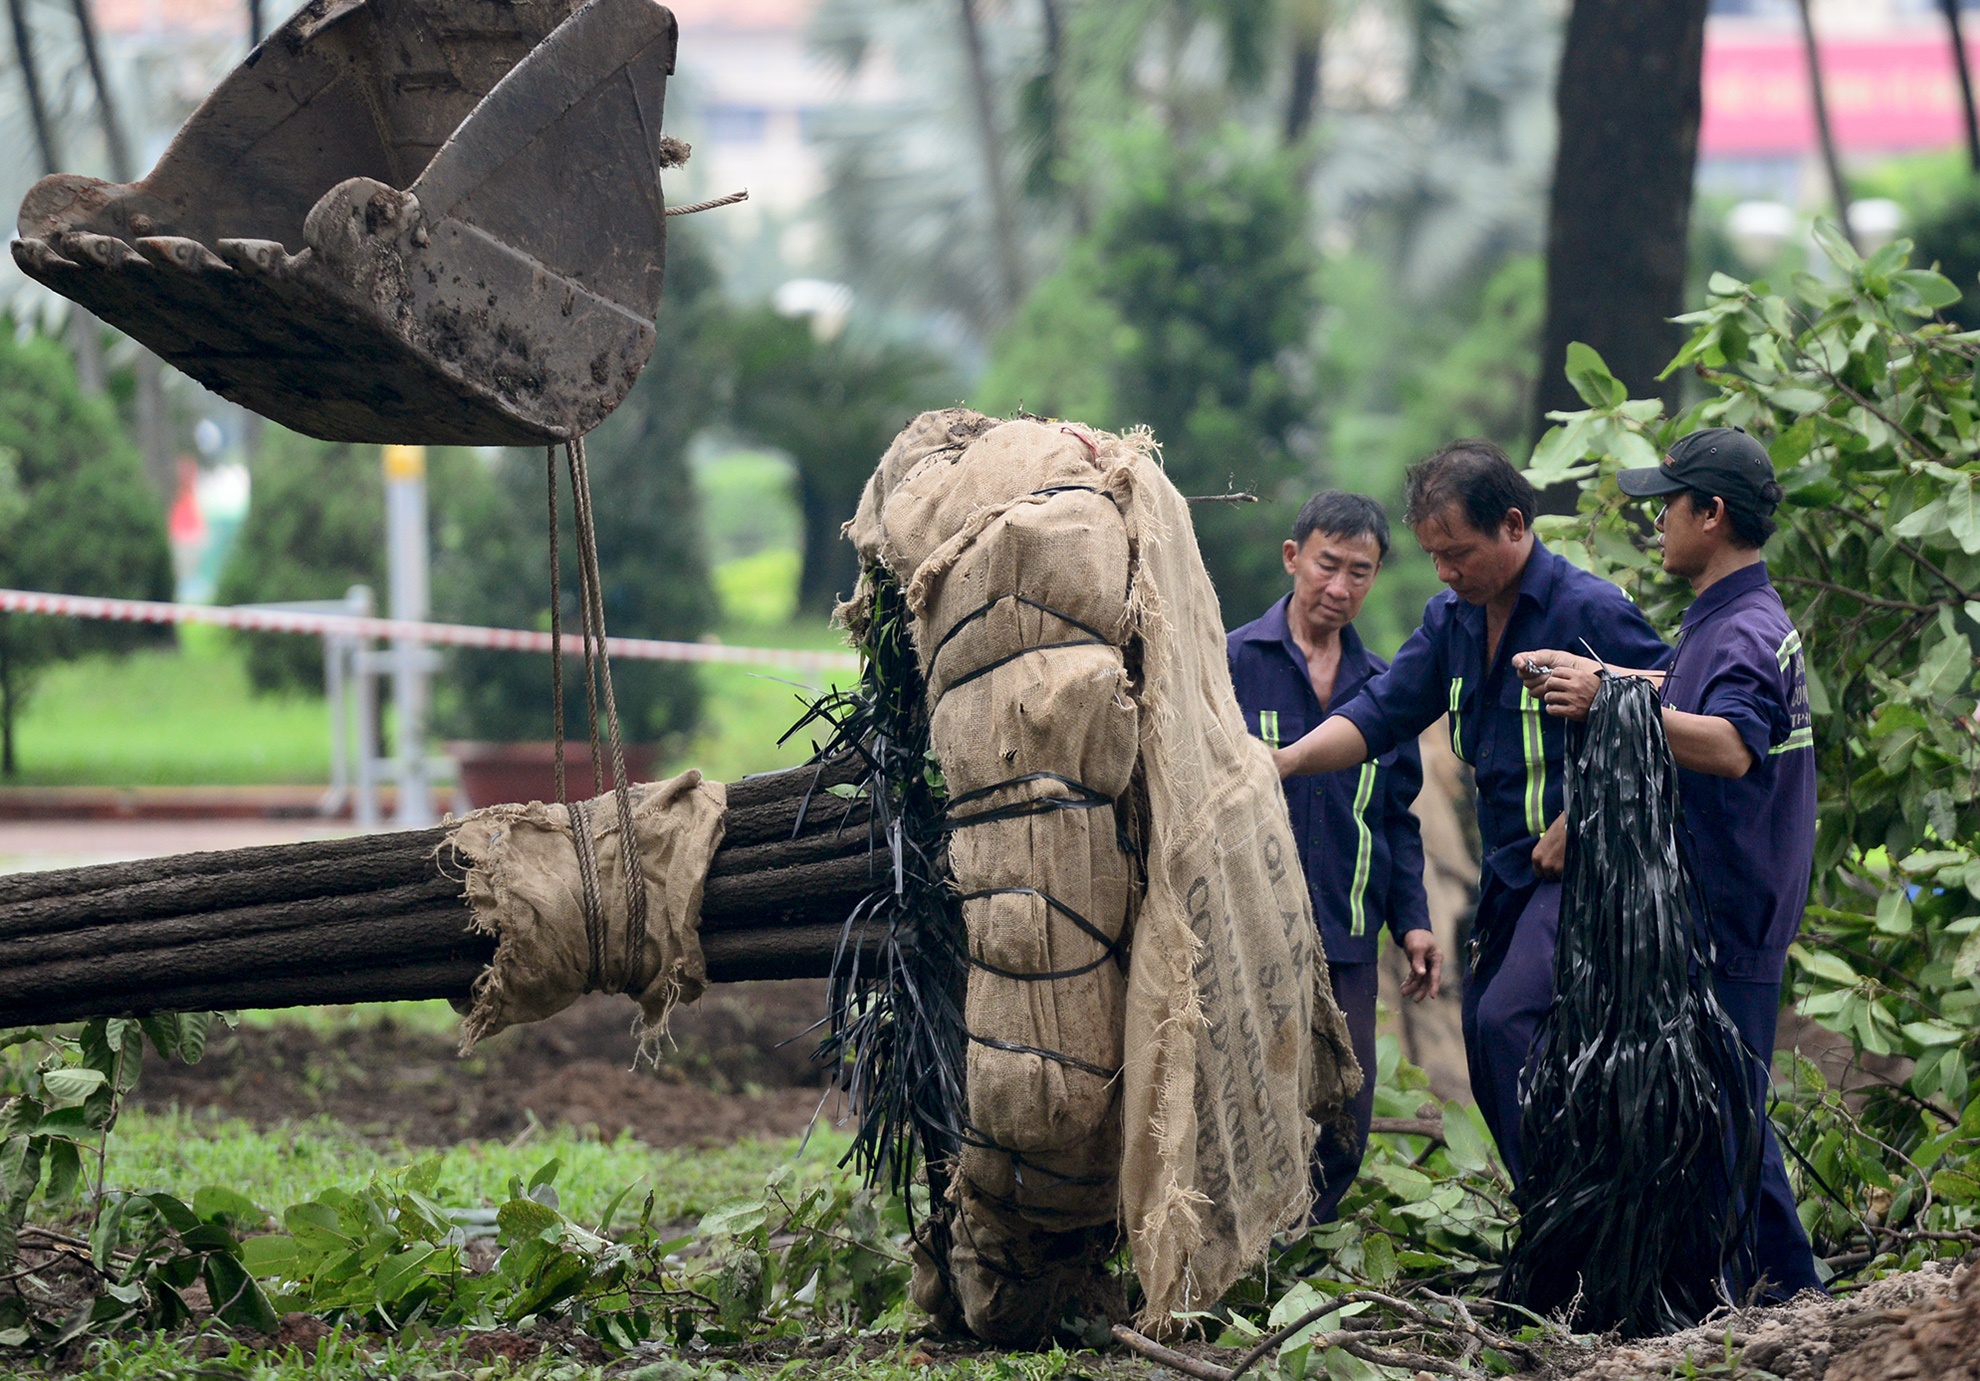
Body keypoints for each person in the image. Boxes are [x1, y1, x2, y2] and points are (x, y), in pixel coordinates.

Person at [1270, 440, 1671, 1180]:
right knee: (1485, 1039)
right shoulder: (1453, 619)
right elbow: (1383, 712)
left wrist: (1585, 814)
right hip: (1508, 877)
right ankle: (1548, 1208)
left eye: (1458, 553)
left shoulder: (1587, 608)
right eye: (1433, 557)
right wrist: (1289, 759)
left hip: (1587, 871)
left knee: (1504, 1019)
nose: (1447, 572)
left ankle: (1570, 1204)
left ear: (1514, 526)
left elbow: (1675, 708)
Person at [1514, 425, 1823, 1301]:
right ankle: (1757, 1289)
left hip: (1731, 910)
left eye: (1667, 506)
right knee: (1721, 1110)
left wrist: (1603, 695)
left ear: (1712, 514)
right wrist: (1603, 674)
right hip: (1724, 904)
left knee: (1728, 1115)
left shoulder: (1744, 630)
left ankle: (1795, 1297)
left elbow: (1728, 744)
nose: (1656, 522)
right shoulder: (1729, 619)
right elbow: (1685, 695)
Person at [1227, 491, 1443, 1222]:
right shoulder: (1229, 662)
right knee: (1246, 1085)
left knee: (1346, 1103)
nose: (1340, 587)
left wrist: (1413, 920)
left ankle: (1305, 1235)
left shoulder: (1386, 689)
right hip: (1244, 922)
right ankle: (1240, 1236)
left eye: (1360, 571)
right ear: (1294, 559)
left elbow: (1399, 816)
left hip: (1348, 926)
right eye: (1327, 565)